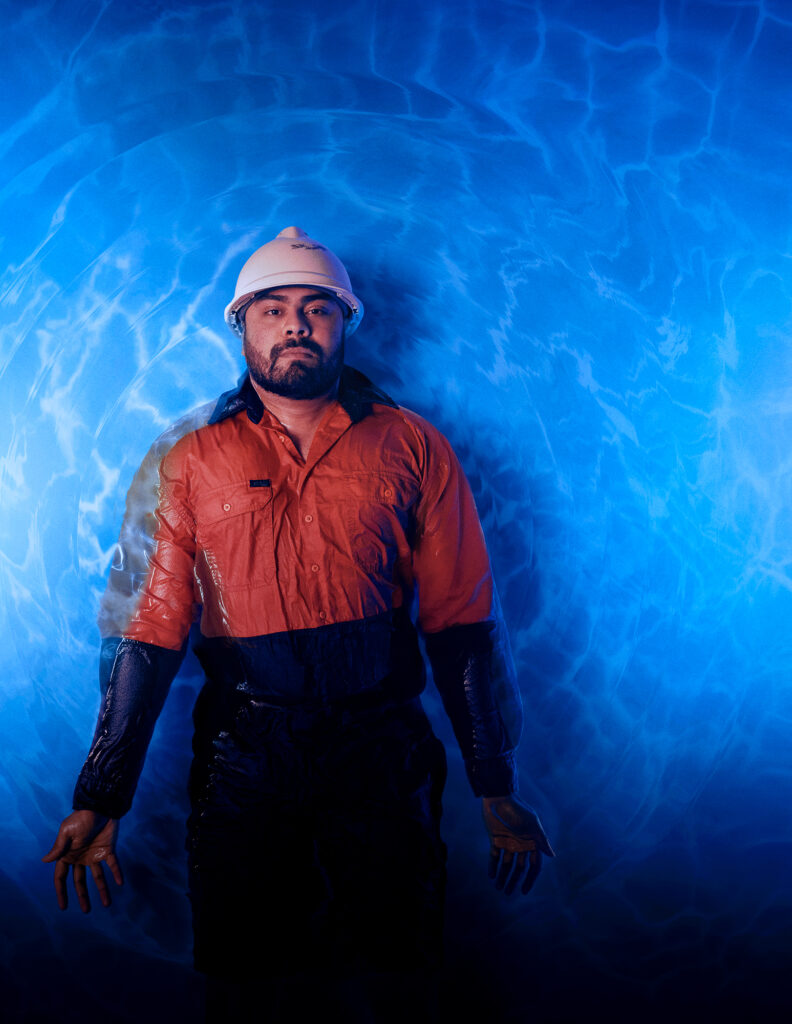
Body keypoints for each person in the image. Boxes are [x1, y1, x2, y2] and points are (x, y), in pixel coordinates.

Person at [44, 226, 554, 1021]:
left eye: (317, 308)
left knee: (400, 970)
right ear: (240, 325)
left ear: (345, 322)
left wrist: (494, 784)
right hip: (243, 755)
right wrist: (103, 793)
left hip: (381, 750)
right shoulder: (187, 458)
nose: (295, 325)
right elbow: (147, 632)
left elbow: (462, 623)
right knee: (241, 980)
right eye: (273, 308)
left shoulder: (415, 448)